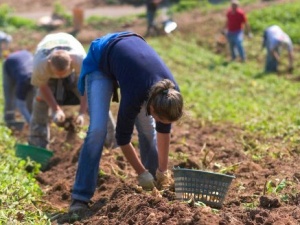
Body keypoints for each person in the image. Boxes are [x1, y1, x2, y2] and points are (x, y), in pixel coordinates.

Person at [69, 31, 183, 212]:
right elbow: (122, 139)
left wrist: (163, 170)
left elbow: (164, 130)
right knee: (98, 130)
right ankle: (80, 197)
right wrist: (141, 173)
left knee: (148, 128)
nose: (160, 120)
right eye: (157, 116)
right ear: (151, 106)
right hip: (102, 59)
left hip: (130, 58)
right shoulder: (134, 95)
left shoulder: (170, 93)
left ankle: (155, 185)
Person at [28, 32, 116, 149]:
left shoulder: (81, 60)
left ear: (71, 60)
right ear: (49, 62)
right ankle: (38, 144)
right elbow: (43, 86)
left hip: (74, 74)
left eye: (62, 73)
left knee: (95, 99)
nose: (60, 77)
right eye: (57, 74)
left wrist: (81, 113)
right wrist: (56, 110)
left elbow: (87, 87)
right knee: (39, 100)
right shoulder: (40, 64)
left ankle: (111, 139)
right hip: (49, 77)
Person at [2, 50, 35, 125]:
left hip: (25, 58)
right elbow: (20, 103)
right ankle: (9, 121)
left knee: (31, 99)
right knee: (10, 97)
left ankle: (31, 118)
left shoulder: (38, 77)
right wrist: (31, 123)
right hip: (9, 65)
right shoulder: (23, 80)